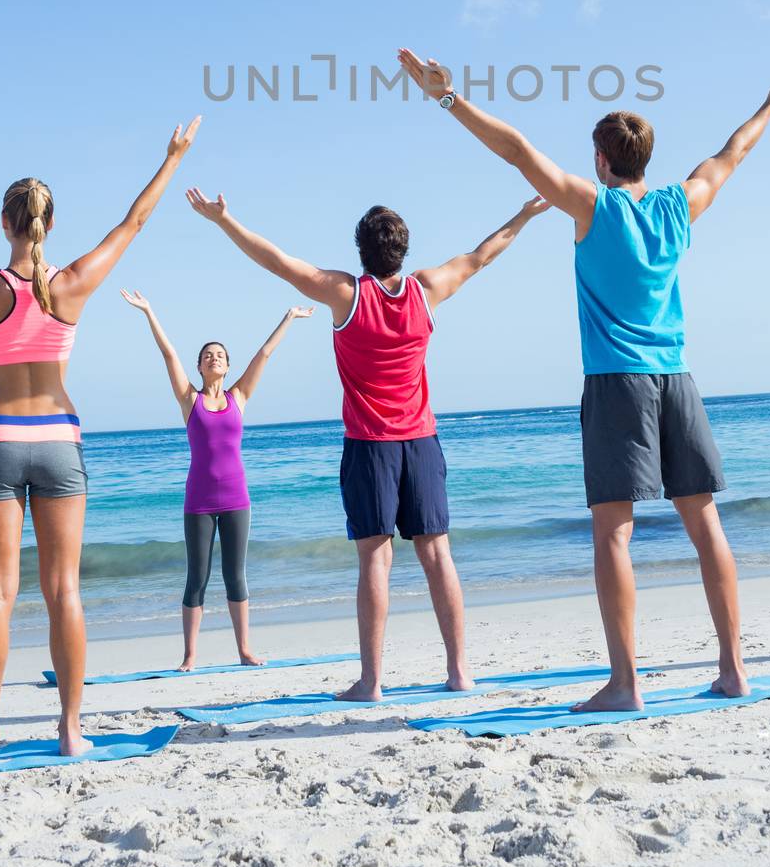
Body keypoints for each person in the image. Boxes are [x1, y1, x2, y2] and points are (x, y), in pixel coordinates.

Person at [397, 48, 770, 711]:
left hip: (618, 383)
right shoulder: (680, 204)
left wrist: (447, 98)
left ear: (600, 159)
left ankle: (624, 684)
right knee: (704, 524)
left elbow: (518, 151)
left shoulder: (593, 208)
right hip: (677, 380)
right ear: (644, 158)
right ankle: (733, 669)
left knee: (613, 533)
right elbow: (733, 151)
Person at [0, 118, 200, 764]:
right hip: (59, 442)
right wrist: (173, 157)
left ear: (4, 223)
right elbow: (134, 222)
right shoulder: (72, 283)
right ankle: (69, 730)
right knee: (64, 591)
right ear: (49, 226)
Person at [186, 184, 548, 699]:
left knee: (376, 561)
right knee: (438, 556)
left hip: (369, 445)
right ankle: (459, 672)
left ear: (362, 250)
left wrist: (225, 221)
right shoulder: (427, 289)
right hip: (421, 442)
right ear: (403, 249)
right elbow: (480, 256)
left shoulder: (346, 294)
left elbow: (279, 263)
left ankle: (372, 682)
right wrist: (525, 214)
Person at [120, 289, 312, 669]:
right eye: (209, 356)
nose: (215, 359)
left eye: (221, 356)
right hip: (200, 502)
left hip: (237, 500)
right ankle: (190, 655)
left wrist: (288, 318)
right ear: (200, 366)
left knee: (235, 576)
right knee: (197, 577)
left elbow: (264, 355)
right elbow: (168, 354)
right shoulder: (189, 400)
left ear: (226, 366)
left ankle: (244, 650)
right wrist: (148, 311)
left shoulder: (238, 397)